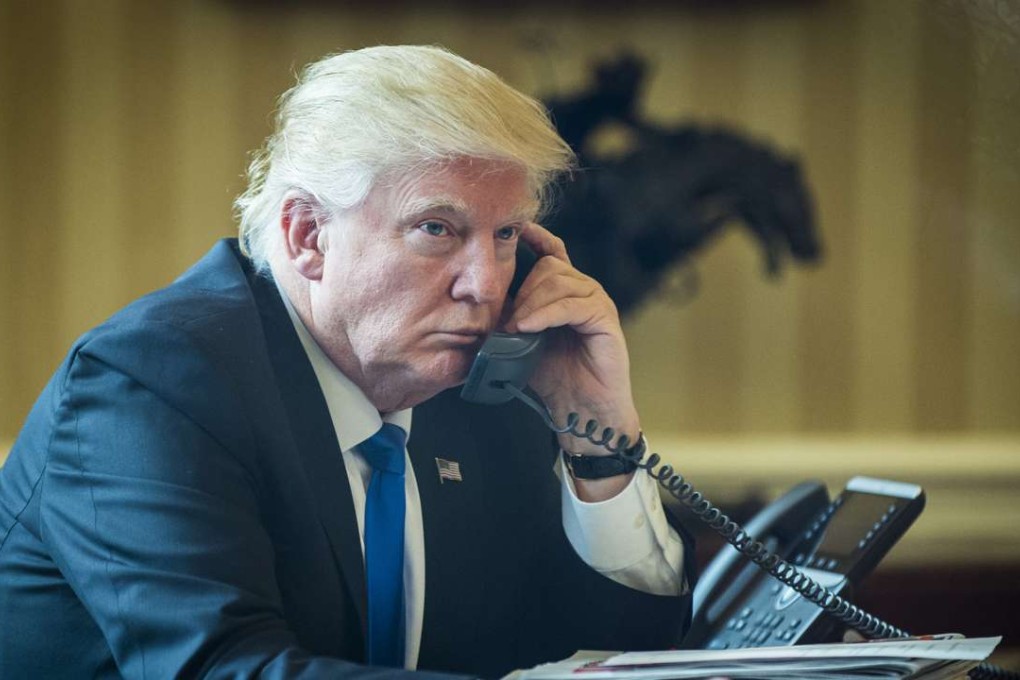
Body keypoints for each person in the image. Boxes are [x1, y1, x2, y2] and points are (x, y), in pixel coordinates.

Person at [0, 45, 693, 679]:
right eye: (437, 229)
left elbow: (620, 657)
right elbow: (222, 670)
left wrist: (596, 441)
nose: (485, 284)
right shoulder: (152, 384)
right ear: (307, 236)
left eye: (506, 234)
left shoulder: (486, 396)